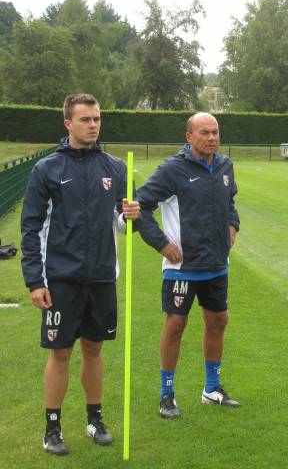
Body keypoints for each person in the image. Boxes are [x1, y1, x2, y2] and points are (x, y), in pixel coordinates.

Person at [21, 93, 140, 456]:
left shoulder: (115, 167)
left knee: (94, 349)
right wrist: (35, 281)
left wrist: (130, 216)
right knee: (60, 352)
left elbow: (119, 223)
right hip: (61, 278)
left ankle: (95, 419)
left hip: (102, 275)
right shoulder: (48, 169)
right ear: (68, 124)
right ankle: (52, 428)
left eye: (97, 119)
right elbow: (31, 229)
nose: (93, 125)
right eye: (85, 119)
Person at [135, 112, 240, 419]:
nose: (212, 137)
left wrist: (232, 224)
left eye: (215, 132)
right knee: (176, 324)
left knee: (219, 320)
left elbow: (230, 201)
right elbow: (140, 206)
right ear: (189, 137)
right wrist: (163, 244)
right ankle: (167, 394)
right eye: (204, 132)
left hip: (217, 263)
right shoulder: (173, 169)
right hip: (182, 267)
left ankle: (212, 389)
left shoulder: (224, 165)